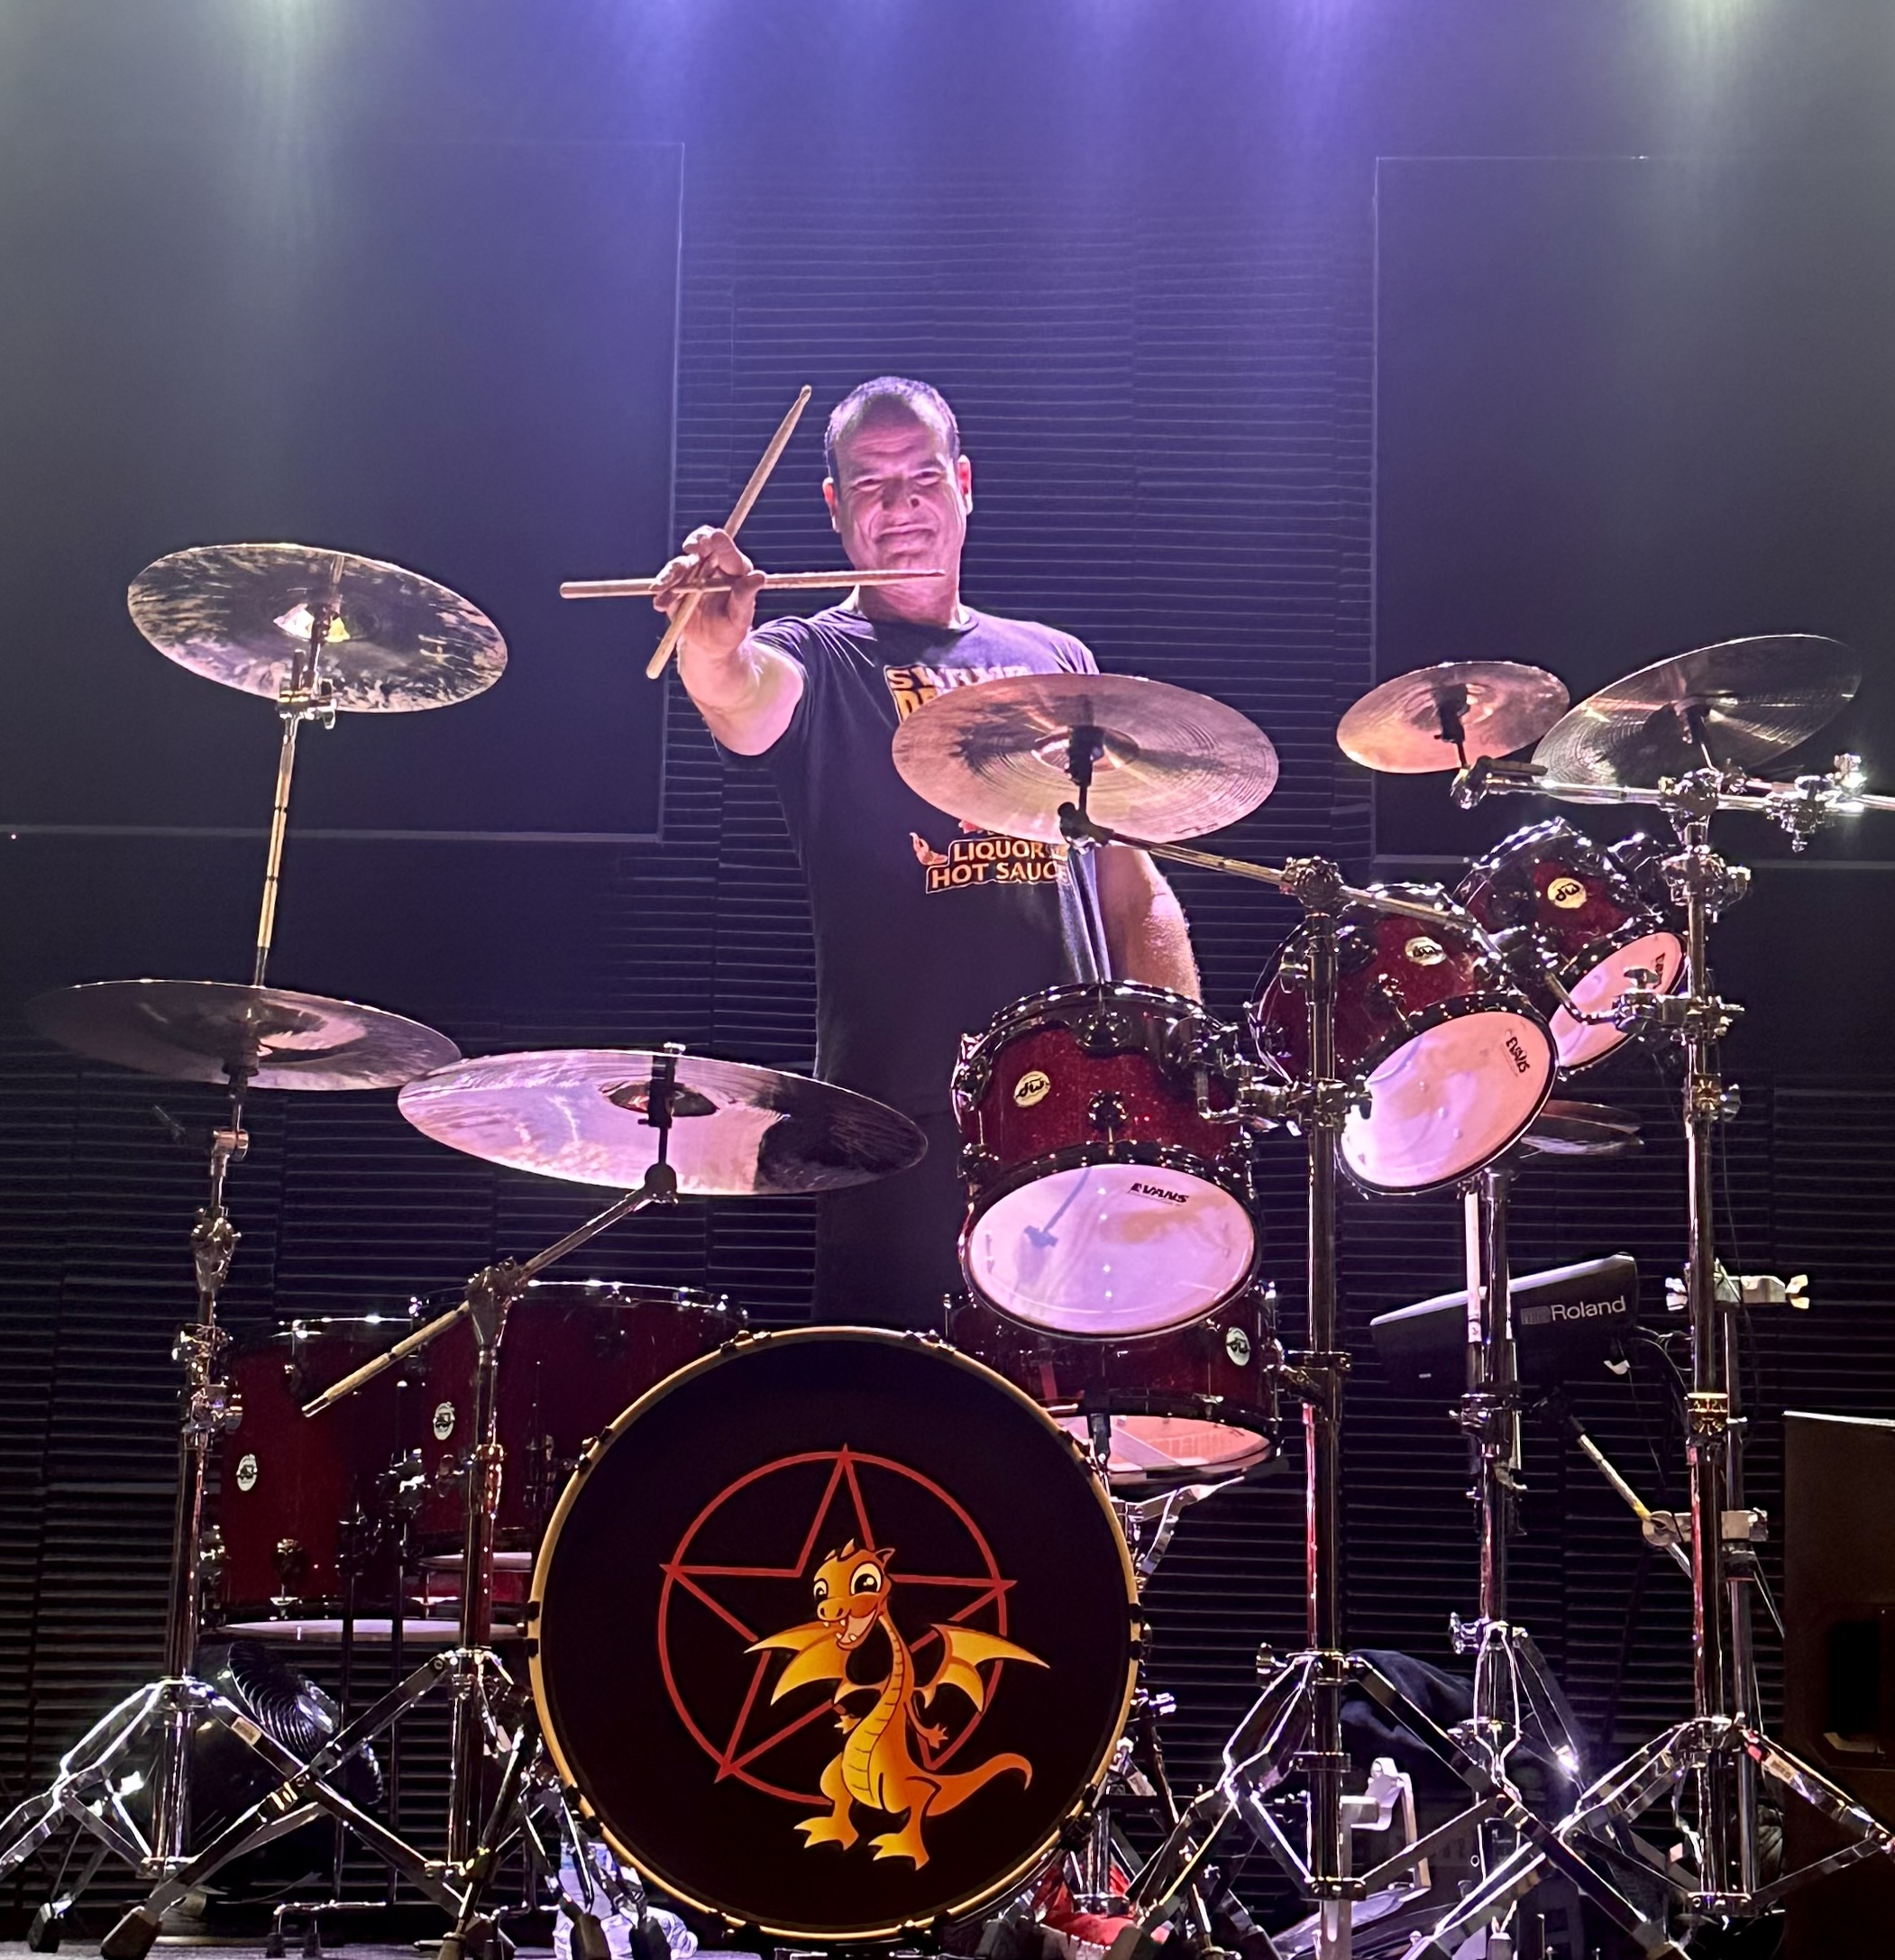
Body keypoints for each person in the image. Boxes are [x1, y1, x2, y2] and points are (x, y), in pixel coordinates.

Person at [654, 377, 1198, 1328]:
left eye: (923, 476)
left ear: (964, 485)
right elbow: (743, 696)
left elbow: (1131, 890)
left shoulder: (1058, 662)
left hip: (1079, 1107)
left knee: (1082, 1403)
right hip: (897, 1123)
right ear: (835, 508)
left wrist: (1175, 1060)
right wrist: (709, 648)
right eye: (870, 484)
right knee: (904, 1402)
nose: (900, 504)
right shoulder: (817, 654)